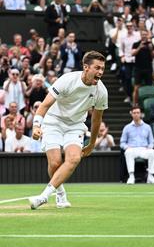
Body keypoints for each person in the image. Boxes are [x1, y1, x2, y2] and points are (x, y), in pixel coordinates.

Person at [28, 51, 108, 209]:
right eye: (97, 68)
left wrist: (91, 143)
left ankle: (43, 196)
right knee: (55, 162)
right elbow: (44, 105)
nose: (100, 72)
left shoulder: (101, 91)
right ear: (86, 67)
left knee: (74, 159)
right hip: (53, 121)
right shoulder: (67, 80)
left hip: (75, 125)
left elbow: (96, 119)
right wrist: (37, 125)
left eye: (102, 69)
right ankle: (60, 193)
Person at [120, 106, 154, 184]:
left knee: (153, 153)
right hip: (132, 149)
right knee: (128, 152)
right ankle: (131, 176)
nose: (136, 114)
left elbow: (151, 141)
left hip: (144, 149)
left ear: (140, 114)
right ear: (131, 114)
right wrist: (127, 147)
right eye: (134, 113)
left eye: (138, 113)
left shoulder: (147, 127)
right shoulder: (127, 128)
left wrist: (150, 147)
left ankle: (150, 176)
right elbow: (122, 142)